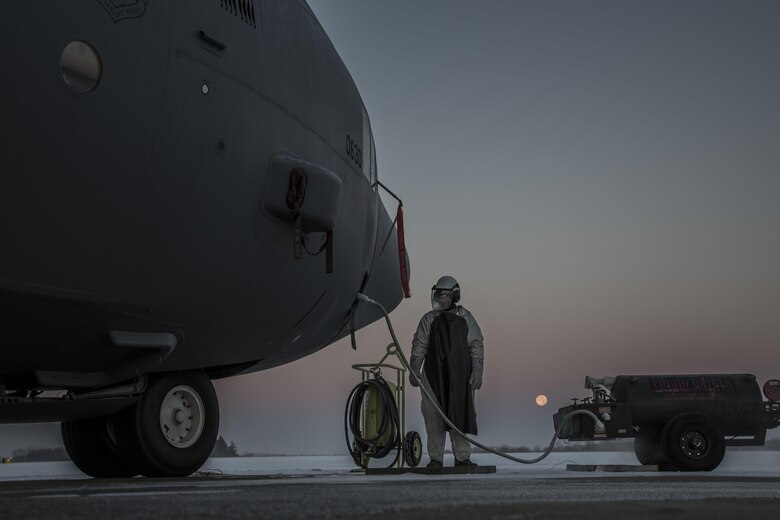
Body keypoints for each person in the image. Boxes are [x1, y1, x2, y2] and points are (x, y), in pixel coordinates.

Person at [409, 275, 484, 468]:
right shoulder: (428, 319)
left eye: (445, 295)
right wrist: (415, 368)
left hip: (460, 376)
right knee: (433, 415)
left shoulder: (466, 318)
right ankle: (436, 458)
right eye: (438, 295)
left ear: (454, 296)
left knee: (460, 413)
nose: (441, 299)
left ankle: (462, 457)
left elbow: (476, 345)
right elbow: (419, 345)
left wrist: (477, 372)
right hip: (433, 376)